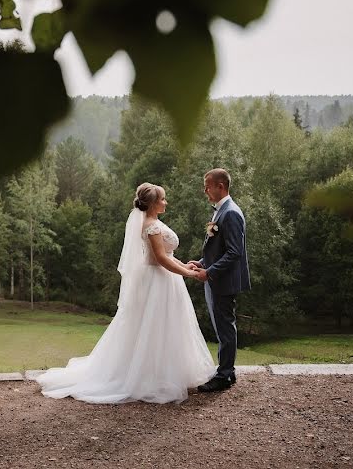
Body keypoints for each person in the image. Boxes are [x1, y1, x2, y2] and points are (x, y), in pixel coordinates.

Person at [37, 183, 214, 404]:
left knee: (166, 327)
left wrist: (186, 266)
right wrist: (190, 275)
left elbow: (167, 255)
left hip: (165, 280)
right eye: (163, 199)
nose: (166, 202)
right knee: (153, 326)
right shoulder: (151, 226)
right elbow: (159, 259)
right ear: (153, 203)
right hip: (158, 282)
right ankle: (149, 377)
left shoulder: (154, 223)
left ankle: (161, 373)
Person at [189, 168, 251, 393]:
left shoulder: (231, 212)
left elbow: (234, 252)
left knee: (225, 328)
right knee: (222, 327)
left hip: (222, 282)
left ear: (220, 186)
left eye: (207, 185)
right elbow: (219, 248)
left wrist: (210, 272)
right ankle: (227, 371)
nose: (205, 190)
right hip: (215, 278)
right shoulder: (220, 211)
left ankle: (225, 375)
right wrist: (202, 263)